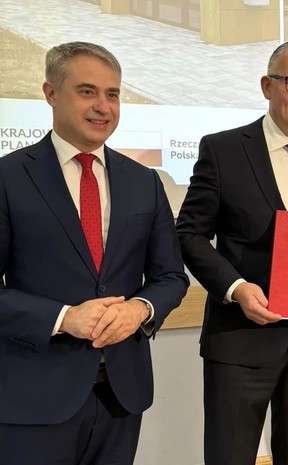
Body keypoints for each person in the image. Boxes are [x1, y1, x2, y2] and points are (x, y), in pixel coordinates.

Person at [0, 41, 189, 464]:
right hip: (34, 398)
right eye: (87, 91)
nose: (103, 106)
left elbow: (170, 277)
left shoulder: (145, 181)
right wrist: (63, 318)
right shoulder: (8, 177)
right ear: (51, 93)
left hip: (121, 396)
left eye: (113, 94)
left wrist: (139, 309)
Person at [175, 41, 288, 465]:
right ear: (267, 86)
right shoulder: (223, 150)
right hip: (240, 339)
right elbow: (189, 233)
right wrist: (235, 288)